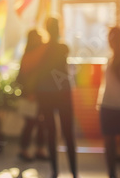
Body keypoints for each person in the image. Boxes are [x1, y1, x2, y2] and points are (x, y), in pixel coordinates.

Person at [36, 17, 77, 178]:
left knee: (51, 133)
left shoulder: (41, 49)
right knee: (68, 133)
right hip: (62, 94)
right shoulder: (63, 48)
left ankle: (55, 171)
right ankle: (74, 172)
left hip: (46, 95)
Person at [97, 27, 120, 178]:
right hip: (118, 106)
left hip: (109, 106)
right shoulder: (118, 59)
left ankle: (114, 174)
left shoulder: (116, 60)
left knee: (111, 145)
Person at [16, 29, 47, 161]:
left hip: (39, 96)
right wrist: (29, 93)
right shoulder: (29, 56)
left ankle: (39, 150)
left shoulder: (38, 55)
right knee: (30, 124)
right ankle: (24, 150)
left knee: (40, 124)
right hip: (30, 97)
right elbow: (21, 78)